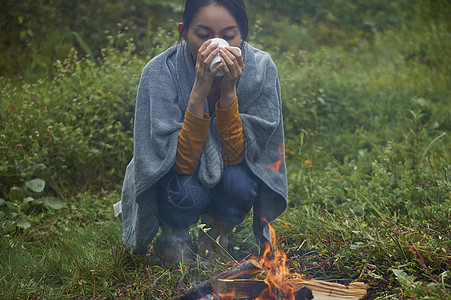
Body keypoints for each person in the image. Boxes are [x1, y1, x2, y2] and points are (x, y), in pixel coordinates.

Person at [120, 0, 287, 264]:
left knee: (239, 183)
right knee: (184, 187)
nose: (216, 45)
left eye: (228, 36)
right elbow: (179, 162)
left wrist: (228, 90)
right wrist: (198, 91)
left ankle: (216, 237)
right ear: (184, 31)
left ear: (242, 34)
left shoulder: (260, 69)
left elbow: (238, 157)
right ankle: (174, 236)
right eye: (203, 35)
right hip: (178, 178)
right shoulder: (160, 72)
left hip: (232, 169)